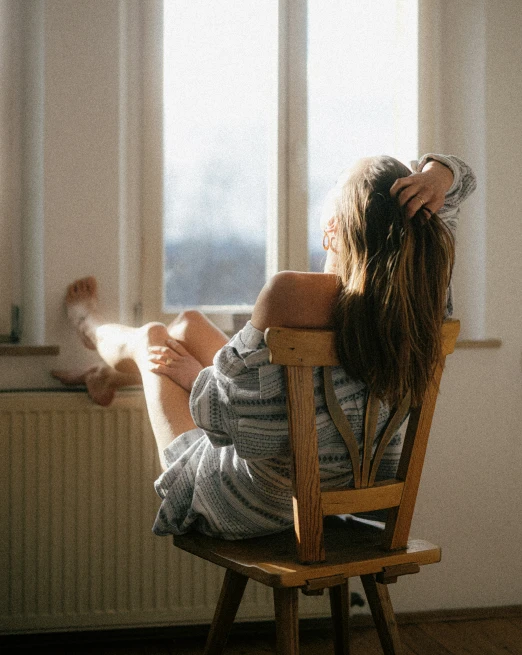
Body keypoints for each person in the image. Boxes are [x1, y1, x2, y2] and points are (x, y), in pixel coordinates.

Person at [55, 153, 476, 540]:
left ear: (332, 232)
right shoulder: (425, 298)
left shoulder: (290, 294)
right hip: (348, 492)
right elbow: (462, 182)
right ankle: (105, 372)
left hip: (251, 502)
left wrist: (192, 377)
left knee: (152, 338)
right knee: (188, 325)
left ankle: (89, 327)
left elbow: (217, 419)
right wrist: (438, 173)